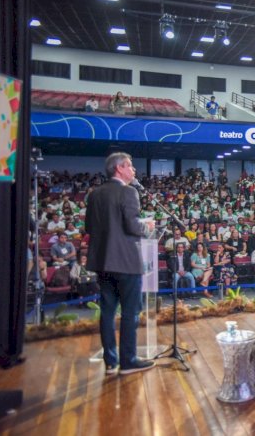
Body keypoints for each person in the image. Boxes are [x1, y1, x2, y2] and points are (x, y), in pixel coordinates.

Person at [86, 152, 156, 375]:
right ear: (119, 169)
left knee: (107, 312)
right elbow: (133, 227)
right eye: (130, 166)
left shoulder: (95, 194)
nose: (134, 170)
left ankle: (110, 362)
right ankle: (128, 361)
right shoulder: (128, 192)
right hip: (126, 262)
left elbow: (89, 227)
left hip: (103, 262)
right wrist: (148, 227)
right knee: (130, 312)